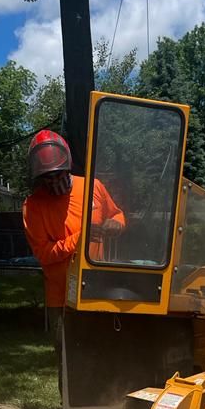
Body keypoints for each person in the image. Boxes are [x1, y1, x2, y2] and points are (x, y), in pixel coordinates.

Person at [22, 130, 125, 365]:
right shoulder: (33, 206)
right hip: (61, 298)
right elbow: (44, 254)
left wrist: (116, 225)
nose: (54, 181)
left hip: (99, 289)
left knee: (103, 354)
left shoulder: (93, 187)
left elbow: (118, 214)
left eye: (58, 174)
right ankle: (68, 403)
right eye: (47, 177)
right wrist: (80, 239)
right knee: (68, 360)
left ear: (67, 166)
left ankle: (104, 400)